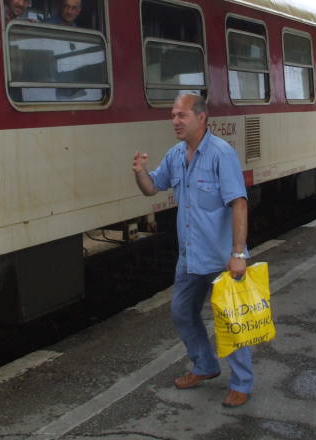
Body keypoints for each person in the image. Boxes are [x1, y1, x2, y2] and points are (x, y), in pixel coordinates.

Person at [132, 93, 252, 408]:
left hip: (221, 259)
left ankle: (242, 383)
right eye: (173, 115)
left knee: (230, 319)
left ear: (201, 118)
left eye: (181, 115)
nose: (175, 121)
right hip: (190, 257)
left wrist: (238, 255)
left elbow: (239, 203)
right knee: (182, 312)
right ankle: (206, 365)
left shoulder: (221, 154)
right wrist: (140, 172)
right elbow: (152, 187)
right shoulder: (175, 155)